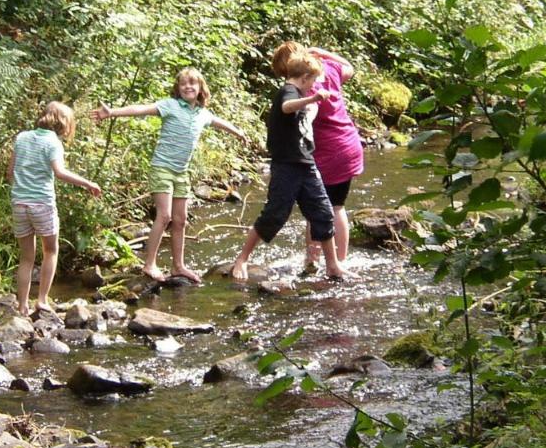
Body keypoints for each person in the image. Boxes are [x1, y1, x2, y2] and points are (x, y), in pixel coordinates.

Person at [92, 67, 247, 283]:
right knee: (164, 216)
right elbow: (141, 109)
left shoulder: (202, 113)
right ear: (178, 89)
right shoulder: (170, 105)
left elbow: (220, 123)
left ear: (201, 88)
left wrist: (239, 133)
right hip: (162, 167)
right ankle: (150, 264)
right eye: (183, 84)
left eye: (192, 83)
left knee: (181, 220)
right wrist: (112, 113)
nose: (188, 87)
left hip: (181, 171)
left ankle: (178, 266)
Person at [230, 51, 346, 281]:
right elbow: (287, 107)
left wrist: (311, 110)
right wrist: (312, 100)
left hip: (306, 162)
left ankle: (332, 265)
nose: (313, 85)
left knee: (323, 213)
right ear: (304, 77)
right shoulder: (288, 91)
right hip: (286, 166)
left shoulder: (299, 93)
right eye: (312, 80)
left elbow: (299, 123)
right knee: (274, 214)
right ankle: (241, 259)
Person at [271, 42, 364, 266]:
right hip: (349, 144)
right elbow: (349, 68)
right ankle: (337, 260)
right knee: (336, 206)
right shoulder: (329, 69)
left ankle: (314, 262)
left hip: (328, 151)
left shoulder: (303, 87)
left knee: (318, 208)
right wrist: (326, 53)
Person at [9, 101, 101, 316]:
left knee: (26, 257)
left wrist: (21, 188)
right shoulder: (53, 143)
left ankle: (22, 306)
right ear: (64, 124)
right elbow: (59, 172)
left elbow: (10, 171)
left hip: (19, 203)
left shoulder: (22, 137)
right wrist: (88, 183)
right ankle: (41, 300)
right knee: (50, 250)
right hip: (42, 203)